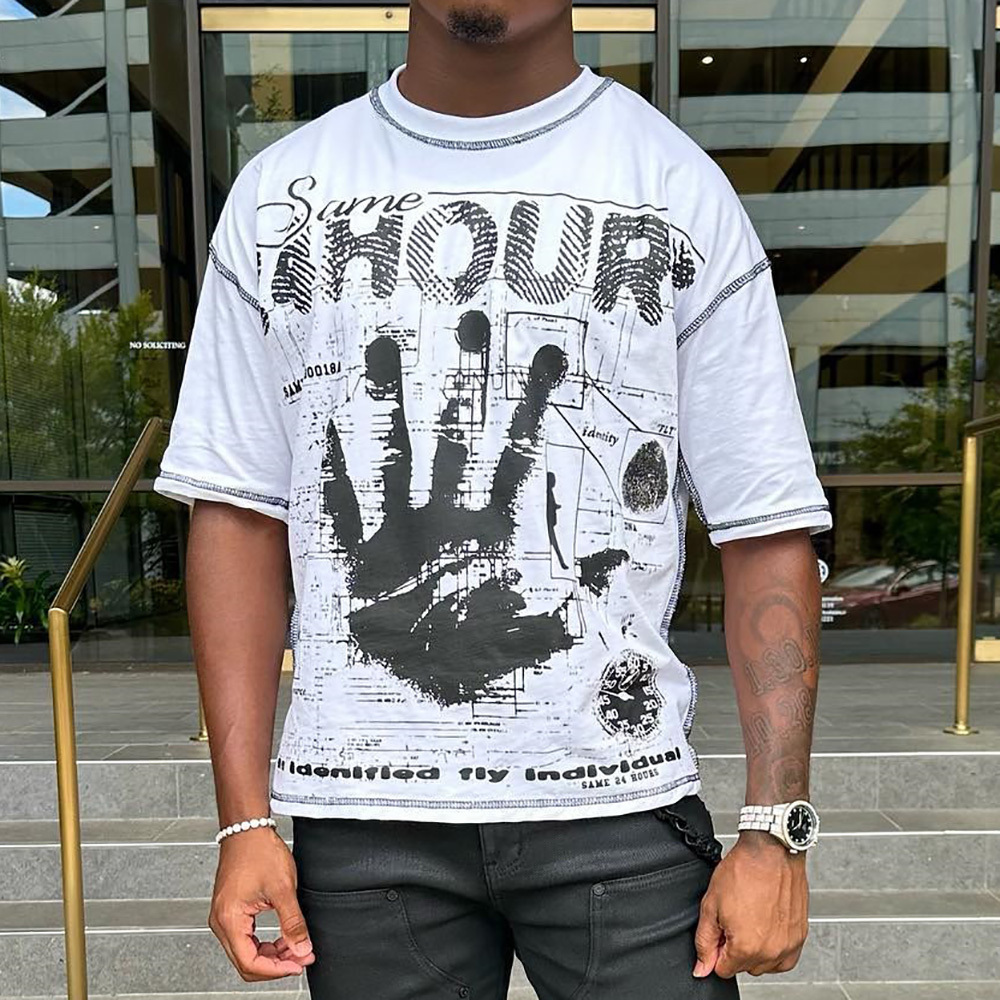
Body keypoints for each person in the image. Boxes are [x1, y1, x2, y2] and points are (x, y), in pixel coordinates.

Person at [153, 2, 832, 996]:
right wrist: (243, 821)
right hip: (365, 820)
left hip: (619, 804)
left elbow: (765, 525)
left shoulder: (676, 187)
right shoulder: (280, 198)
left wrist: (776, 830)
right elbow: (238, 513)